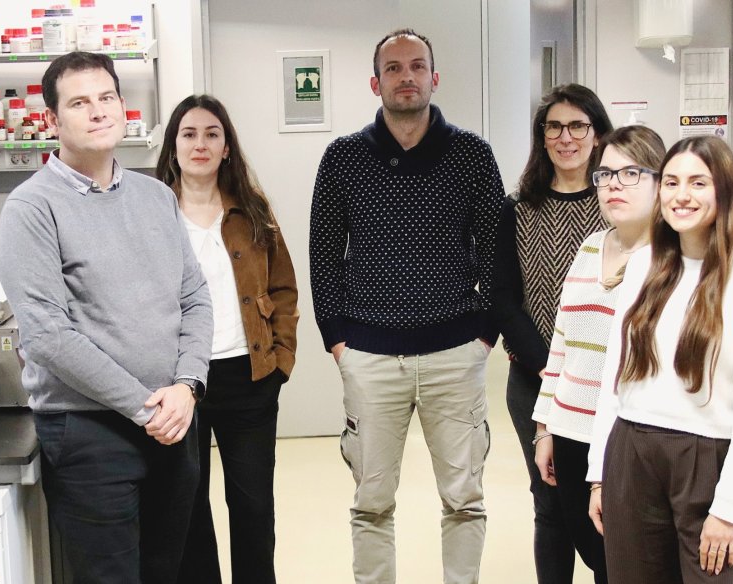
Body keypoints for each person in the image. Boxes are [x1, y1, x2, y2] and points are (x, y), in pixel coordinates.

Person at [0, 52, 213, 583]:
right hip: (89, 434)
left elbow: (196, 300)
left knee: (168, 572)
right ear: (52, 119)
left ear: (122, 106)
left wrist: (187, 385)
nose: (98, 112)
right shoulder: (32, 209)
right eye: (79, 102)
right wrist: (145, 408)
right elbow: (48, 337)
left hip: (172, 423)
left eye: (107, 97)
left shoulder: (156, 196)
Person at [309, 28, 504, 584]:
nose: (406, 77)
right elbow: (324, 252)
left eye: (417, 66)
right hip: (370, 356)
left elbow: (493, 246)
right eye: (393, 68)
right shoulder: (343, 157)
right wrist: (337, 338)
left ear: (434, 78)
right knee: (371, 501)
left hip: (454, 352)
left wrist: (484, 332)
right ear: (376, 83)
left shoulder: (471, 154)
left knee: (464, 495)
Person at [587, 135, 733, 583]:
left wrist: (731, 506)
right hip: (633, 453)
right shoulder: (644, 264)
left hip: (711, 461)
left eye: (698, 183)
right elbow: (615, 374)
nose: (681, 195)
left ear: (724, 190)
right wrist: (599, 473)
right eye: (671, 182)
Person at [156, 95, 298, 583]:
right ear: (173, 146)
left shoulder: (252, 211)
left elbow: (283, 288)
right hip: (178, 384)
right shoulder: (152, 212)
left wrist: (281, 360)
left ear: (227, 148)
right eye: (189, 134)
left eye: (212, 134)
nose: (200, 144)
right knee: (189, 509)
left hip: (249, 375)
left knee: (254, 508)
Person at [531, 125, 666, 584]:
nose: (613, 185)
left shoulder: (669, 261)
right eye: (605, 174)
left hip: (629, 439)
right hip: (571, 430)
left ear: (658, 181)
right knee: (593, 553)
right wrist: (545, 426)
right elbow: (562, 341)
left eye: (630, 173)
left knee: (625, 562)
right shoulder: (590, 247)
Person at [491, 83, 612, 584]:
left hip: (606, 388)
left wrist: (576, 369)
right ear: (542, 138)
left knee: (608, 505)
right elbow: (502, 298)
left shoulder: (617, 204)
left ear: (597, 133)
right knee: (550, 501)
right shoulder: (516, 208)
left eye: (578, 125)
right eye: (554, 127)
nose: (566, 137)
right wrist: (549, 365)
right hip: (535, 385)